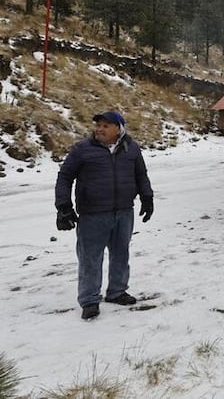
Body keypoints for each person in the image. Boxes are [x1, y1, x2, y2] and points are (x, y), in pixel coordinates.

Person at [55, 110, 154, 320]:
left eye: (105, 126)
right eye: (98, 125)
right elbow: (65, 177)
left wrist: (147, 197)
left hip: (124, 211)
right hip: (93, 214)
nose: (99, 129)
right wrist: (63, 205)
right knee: (90, 258)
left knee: (121, 253)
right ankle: (90, 300)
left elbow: (141, 175)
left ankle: (117, 291)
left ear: (119, 129)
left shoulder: (132, 148)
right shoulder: (82, 149)